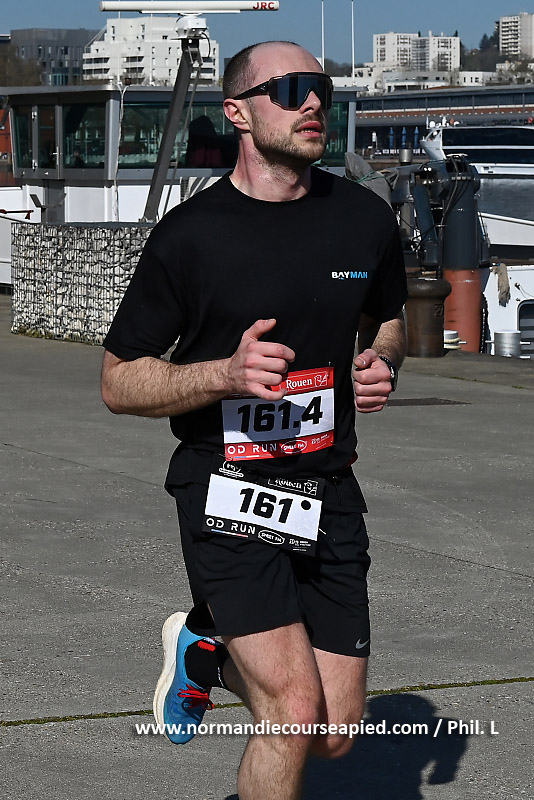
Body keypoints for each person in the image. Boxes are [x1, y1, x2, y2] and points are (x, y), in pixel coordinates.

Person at [101, 40, 407, 800]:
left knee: (333, 732)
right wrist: (223, 374)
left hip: (328, 487)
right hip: (227, 486)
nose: (314, 102)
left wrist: (382, 359)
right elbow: (118, 380)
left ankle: (204, 647)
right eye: (291, 89)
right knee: (292, 711)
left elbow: (387, 318)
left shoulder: (363, 219)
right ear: (237, 112)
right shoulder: (191, 237)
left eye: (321, 88)